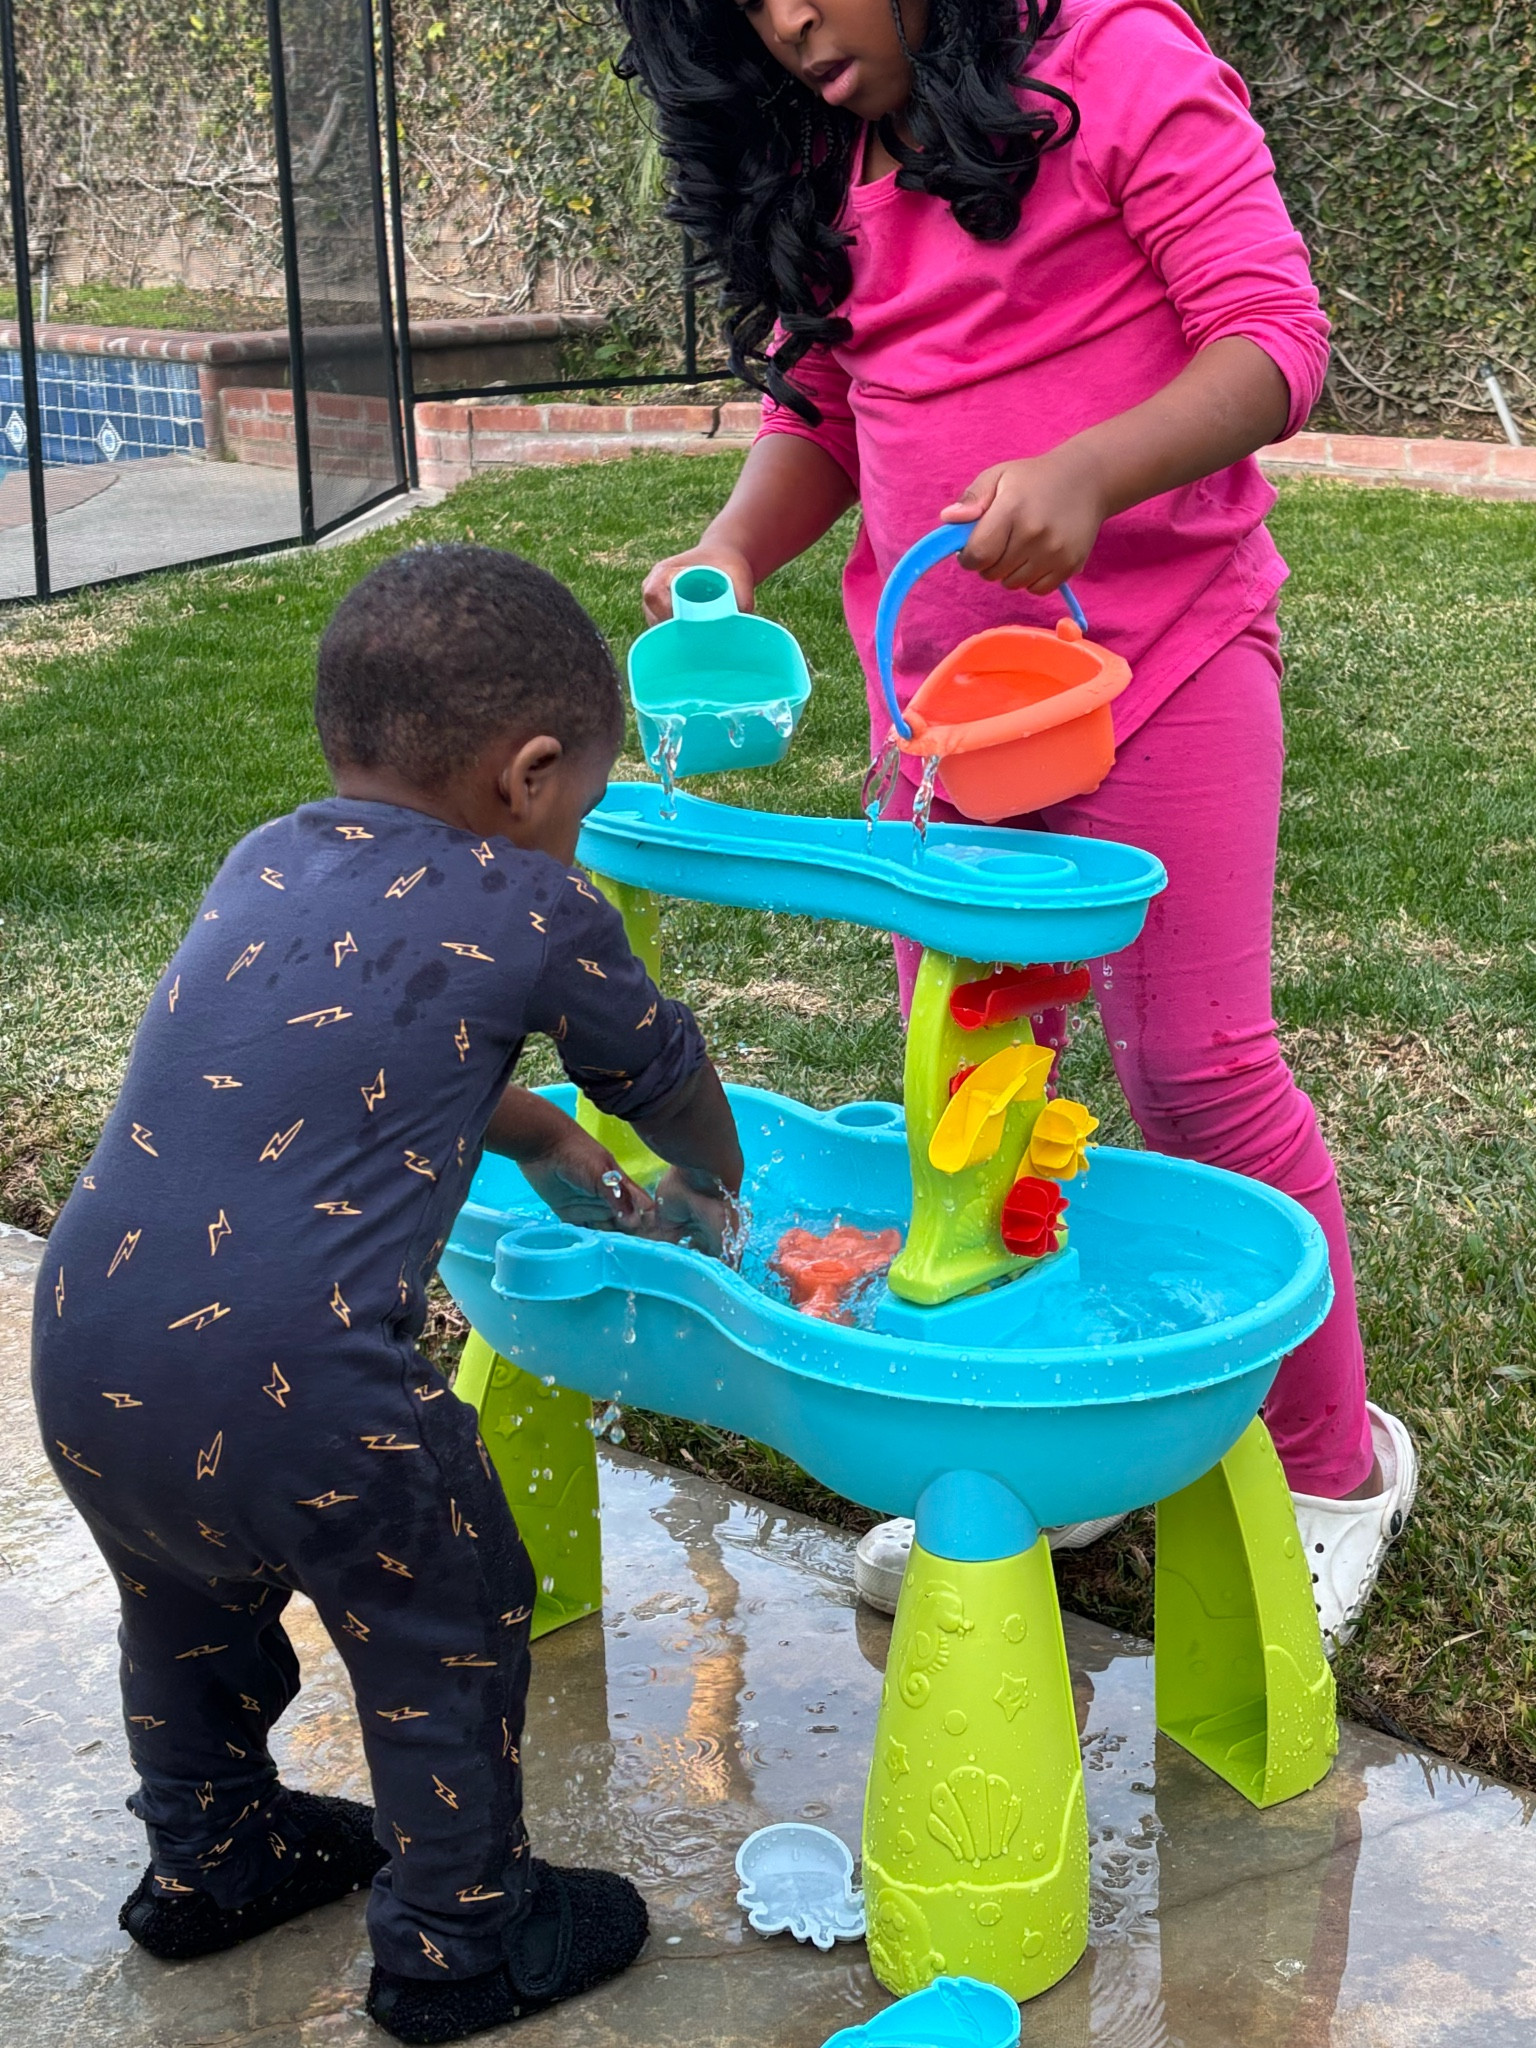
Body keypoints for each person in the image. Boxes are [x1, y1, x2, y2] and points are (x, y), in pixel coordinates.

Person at [621, 0, 1416, 1648]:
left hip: (1165, 659)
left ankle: (1336, 1466)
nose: (782, 18)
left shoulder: (1116, 58)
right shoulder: (830, 157)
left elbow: (1272, 341)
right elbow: (821, 413)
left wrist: (1092, 470)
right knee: (974, 1097)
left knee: (1195, 1064)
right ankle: (1052, 1455)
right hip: (949, 730)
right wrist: (734, 554)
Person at [31, 545, 744, 2044]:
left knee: (183, 1604)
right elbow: (665, 1075)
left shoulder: (269, 858)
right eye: (588, 809)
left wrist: (537, 1129)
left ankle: (214, 1861)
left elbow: (335, 1044)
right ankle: (463, 1940)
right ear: (531, 775)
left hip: (89, 1349)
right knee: (451, 1609)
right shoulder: (538, 905)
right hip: (310, 1393)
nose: (581, 839)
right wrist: (710, 1190)